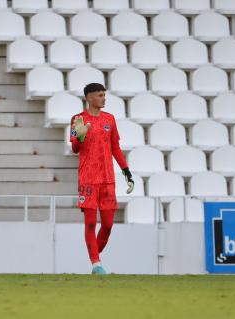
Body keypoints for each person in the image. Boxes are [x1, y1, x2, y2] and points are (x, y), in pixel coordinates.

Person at [70, 83, 134, 275]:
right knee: (90, 223)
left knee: (107, 225)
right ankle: (96, 263)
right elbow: (74, 148)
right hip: (88, 178)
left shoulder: (110, 119)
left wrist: (126, 171)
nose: (104, 98)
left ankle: (95, 260)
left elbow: (115, 147)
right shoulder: (77, 119)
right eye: (100, 95)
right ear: (89, 98)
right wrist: (79, 137)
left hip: (107, 179)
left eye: (104, 95)